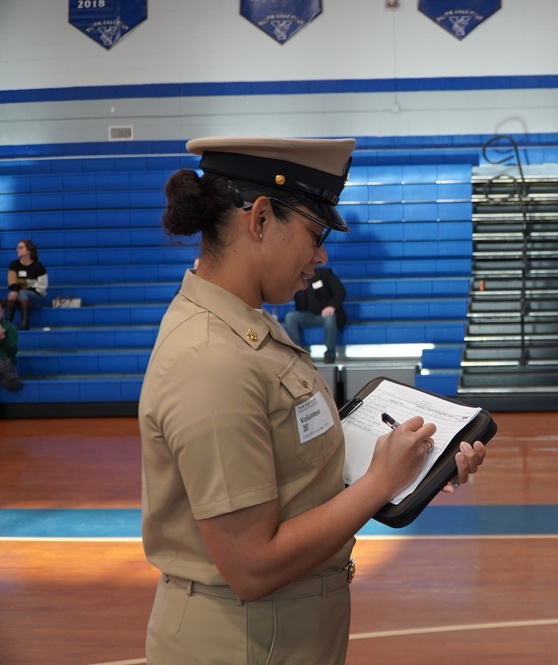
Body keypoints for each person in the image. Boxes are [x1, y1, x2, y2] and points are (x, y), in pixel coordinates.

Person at [138, 136, 487, 664]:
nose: (321, 255)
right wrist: (380, 482)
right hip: (245, 642)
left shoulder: (247, 326)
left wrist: (414, 469)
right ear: (259, 219)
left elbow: (297, 470)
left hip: (278, 632)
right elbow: (251, 566)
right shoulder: (212, 360)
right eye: (314, 233)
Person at [283, 266, 347, 363]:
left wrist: (332, 306)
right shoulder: (297, 280)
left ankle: (330, 354)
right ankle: (298, 353)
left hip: (326, 314)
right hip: (308, 315)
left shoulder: (325, 274)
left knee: (329, 317)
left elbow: (340, 291)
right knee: (290, 317)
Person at [5, 239, 47, 330]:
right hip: (19, 297)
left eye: (20, 247)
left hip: (36, 298)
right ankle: (7, 325)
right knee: (11, 295)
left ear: (28, 250)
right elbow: (11, 280)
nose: (17, 250)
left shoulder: (39, 267)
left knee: (23, 293)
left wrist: (21, 291)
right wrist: (16, 290)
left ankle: (25, 324)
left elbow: (42, 287)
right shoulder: (14, 264)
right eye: (17, 248)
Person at [0, 317, 22, 391]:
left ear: (1, 312)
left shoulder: (9, 327)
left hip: (5, 361)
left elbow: (13, 351)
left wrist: (2, 337)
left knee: (13, 382)